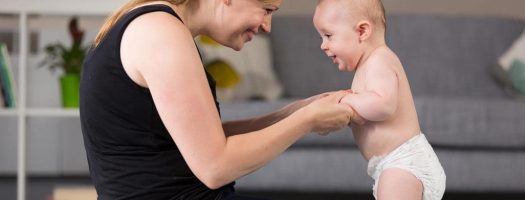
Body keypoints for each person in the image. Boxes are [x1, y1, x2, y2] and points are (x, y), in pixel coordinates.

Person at [80, 0, 355, 199]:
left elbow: (201, 140)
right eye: (267, 10)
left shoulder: (155, 24)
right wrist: (307, 121)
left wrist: (296, 111)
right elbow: (215, 166)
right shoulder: (160, 32)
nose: (267, 26)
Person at [313, 0, 446, 199]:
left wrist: (347, 100)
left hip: (403, 163)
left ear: (362, 32)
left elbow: (384, 105)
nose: (323, 45)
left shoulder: (379, 60)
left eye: (328, 35)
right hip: (394, 164)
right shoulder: (367, 65)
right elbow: (366, 112)